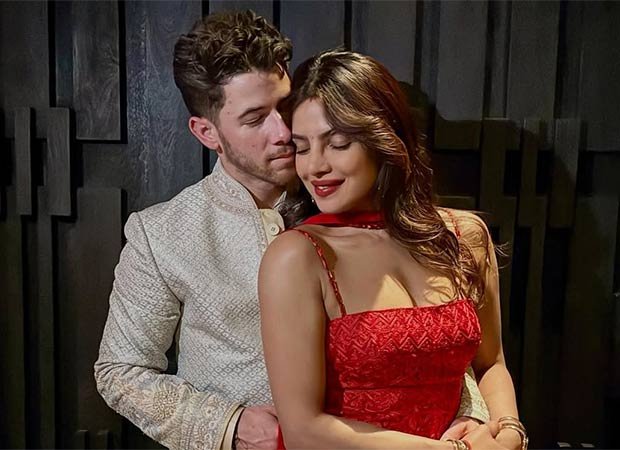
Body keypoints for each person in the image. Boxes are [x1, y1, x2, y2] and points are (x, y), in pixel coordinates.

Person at [94, 11, 489, 450]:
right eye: (254, 118)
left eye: (285, 107)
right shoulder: (162, 234)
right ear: (207, 132)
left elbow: (429, 336)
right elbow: (120, 371)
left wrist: (472, 416)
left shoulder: (350, 195)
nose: (284, 131)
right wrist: (229, 425)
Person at [259, 50, 526, 450]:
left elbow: (491, 364)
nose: (314, 166)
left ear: (384, 138)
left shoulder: (465, 236)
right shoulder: (297, 257)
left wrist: (510, 432)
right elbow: (303, 430)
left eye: (338, 143)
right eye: (302, 147)